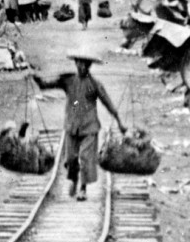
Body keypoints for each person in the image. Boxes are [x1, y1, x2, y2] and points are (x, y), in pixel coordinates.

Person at [32, 45, 125, 200]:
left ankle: (83, 188)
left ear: (89, 66)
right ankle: (74, 181)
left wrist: (120, 122)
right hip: (71, 126)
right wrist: (37, 79)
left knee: (85, 158)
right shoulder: (68, 81)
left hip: (89, 127)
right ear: (75, 64)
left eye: (84, 64)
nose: (81, 66)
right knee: (70, 159)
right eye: (79, 63)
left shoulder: (95, 85)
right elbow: (45, 86)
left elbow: (108, 103)